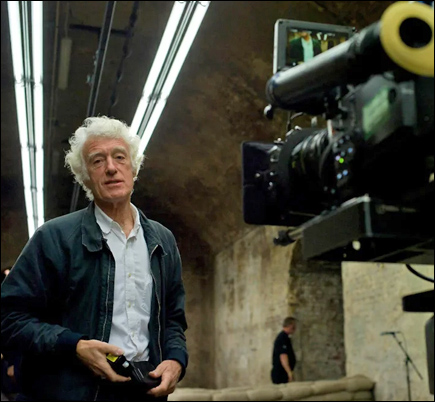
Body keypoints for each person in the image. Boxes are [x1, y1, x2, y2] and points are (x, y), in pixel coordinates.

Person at [1, 116, 188, 401]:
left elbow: (173, 319)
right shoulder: (54, 237)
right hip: (73, 391)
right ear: (85, 176)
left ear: (134, 167)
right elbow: (8, 317)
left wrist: (176, 360)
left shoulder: (162, 241)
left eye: (119, 157)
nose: (111, 168)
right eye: (97, 161)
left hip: (144, 389)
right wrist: (74, 346)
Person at [271, 317, 297, 384]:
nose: (295, 328)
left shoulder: (286, 337)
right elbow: (283, 356)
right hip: (281, 373)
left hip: (282, 372)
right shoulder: (283, 338)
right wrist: (289, 372)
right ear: (290, 325)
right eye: (294, 326)